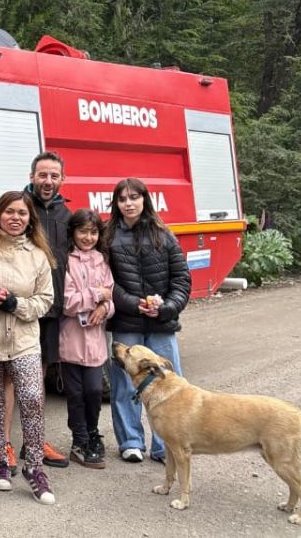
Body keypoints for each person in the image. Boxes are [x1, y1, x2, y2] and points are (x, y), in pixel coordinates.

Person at [102, 177, 191, 464]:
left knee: (167, 382)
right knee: (125, 385)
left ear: (144, 200)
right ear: (116, 203)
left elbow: (181, 279)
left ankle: (165, 446)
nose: (128, 203)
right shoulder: (108, 236)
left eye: (134, 197)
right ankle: (131, 442)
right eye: (122, 199)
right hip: (127, 323)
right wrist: (133, 304)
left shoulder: (164, 234)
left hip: (161, 323)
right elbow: (105, 282)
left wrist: (166, 308)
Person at [0, 190, 57, 504]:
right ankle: (0, 462)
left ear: (30, 219)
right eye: (9, 212)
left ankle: (35, 468)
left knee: (32, 399)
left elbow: (46, 300)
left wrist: (15, 303)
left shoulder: (38, 254)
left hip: (25, 341)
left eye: (22, 213)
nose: (16, 218)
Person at [22, 151, 73, 469]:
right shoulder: (19, 208)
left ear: (62, 180)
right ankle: (4, 447)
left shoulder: (67, 216)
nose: (48, 181)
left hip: (51, 311)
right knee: (13, 380)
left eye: (54, 176)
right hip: (20, 309)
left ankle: (34, 442)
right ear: (32, 177)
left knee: (38, 379)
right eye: (43, 175)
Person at [60, 209, 115, 469]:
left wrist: (105, 308)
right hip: (71, 341)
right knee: (75, 394)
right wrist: (96, 295)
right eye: (83, 231)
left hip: (95, 343)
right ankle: (79, 440)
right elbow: (67, 303)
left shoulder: (101, 261)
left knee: (94, 391)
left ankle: (93, 433)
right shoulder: (66, 261)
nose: (88, 237)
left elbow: (111, 297)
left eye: (93, 232)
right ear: (72, 232)